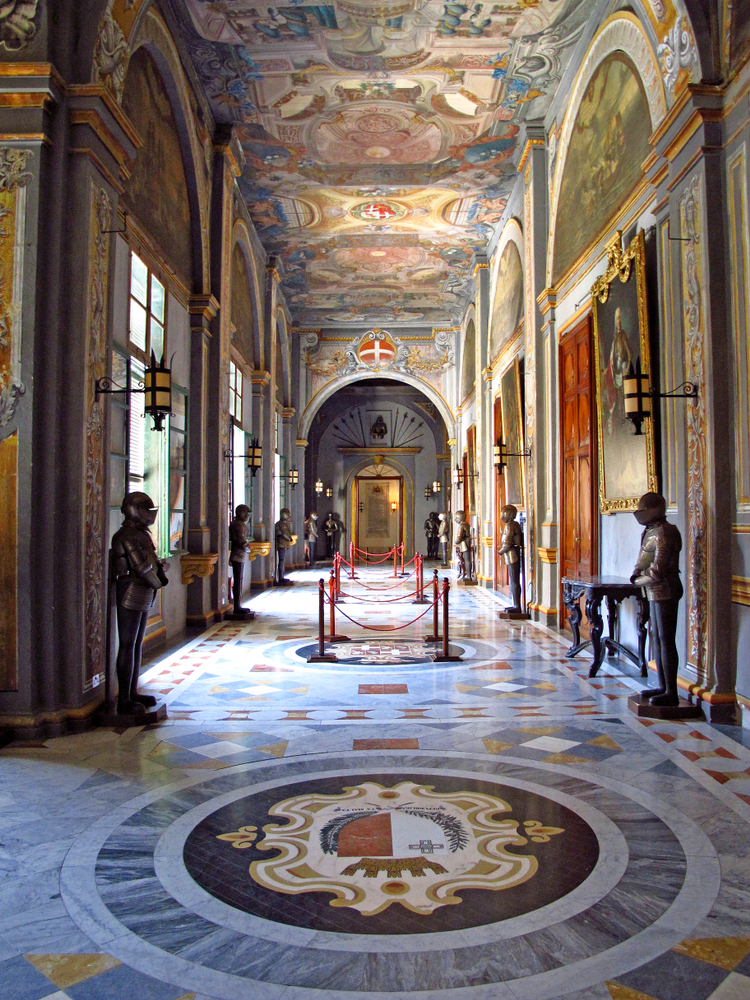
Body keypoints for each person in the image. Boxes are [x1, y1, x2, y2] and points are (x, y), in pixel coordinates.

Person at [111, 492, 167, 715]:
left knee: (135, 644)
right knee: (127, 644)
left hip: (143, 589)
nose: (150, 516)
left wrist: (159, 577)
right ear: (135, 511)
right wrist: (157, 582)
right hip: (131, 588)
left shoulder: (140, 534)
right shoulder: (125, 536)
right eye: (146, 510)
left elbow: (151, 562)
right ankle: (123, 699)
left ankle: (132, 692)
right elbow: (140, 567)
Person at [630, 492, 683, 707]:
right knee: (656, 637)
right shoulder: (650, 531)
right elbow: (643, 559)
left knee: (666, 638)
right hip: (653, 590)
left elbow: (657, 571)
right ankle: (662, 685)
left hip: (665, 588)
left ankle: (672, 691)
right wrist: (636, 575)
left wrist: (636, 582)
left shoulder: (664, 532)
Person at [228, 504, 252, 618]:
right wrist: (248, 549)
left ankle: (238, 605)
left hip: (236, 553)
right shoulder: (240, 525)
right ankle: (237, 606)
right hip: (238, 554)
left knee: (238, 580)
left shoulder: (235, 523)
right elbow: (242, 541)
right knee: (238, 580)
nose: (248, 516)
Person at [498, 503, 523, 612]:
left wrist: (500, 552)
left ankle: (517, 606)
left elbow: (507, 544)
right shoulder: (514, 524)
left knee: (514, 580)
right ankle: (515, 604)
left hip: (512, 553)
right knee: (514, 580)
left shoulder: (509, 526)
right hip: (513, 552)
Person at [275, 507, 294, 585]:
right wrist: (289, 538)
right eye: (287, 515)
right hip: (281, 543)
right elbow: (285, 533)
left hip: (283, 543)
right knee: (281, 561)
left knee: (282, 560)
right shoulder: (282, 524)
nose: (288, 516)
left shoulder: (283, 523)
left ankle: (281, 576)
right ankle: (280, 577)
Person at [454, 510, 471, 581]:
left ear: (460, 518)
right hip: (467, 542)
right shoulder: (466, 524)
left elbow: (459, 537)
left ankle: (469, 576)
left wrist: (456, 542)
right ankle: (468, 575)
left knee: (467, 560)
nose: (455, 519)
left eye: (457, 518)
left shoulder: (461, 525)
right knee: (467, 560)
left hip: (464, 543)